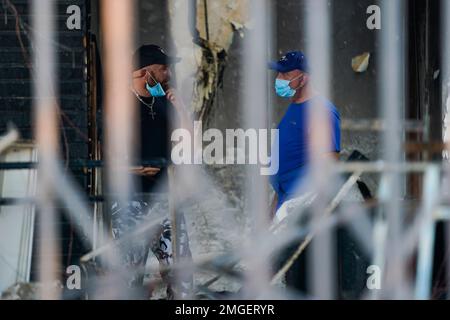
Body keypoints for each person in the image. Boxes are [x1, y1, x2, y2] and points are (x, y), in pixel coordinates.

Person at [110, 44, 193, 299]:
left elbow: (190, 143)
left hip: (165, 201)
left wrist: (181, 110)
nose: (168, 74)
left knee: (182, 273)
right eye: (163, 69)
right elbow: (106, 156)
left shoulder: (164, 104)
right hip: (130, 202)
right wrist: (132, 169)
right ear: (145, 73)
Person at [268, 51, 341, 220]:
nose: (279, 78)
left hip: (302, 209)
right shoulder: (295, 107)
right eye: (278, 73)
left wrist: (309, 215)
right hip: (286, 204)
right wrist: (271, 214)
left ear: (304, 78)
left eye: (286, 74)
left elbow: (329, 165)